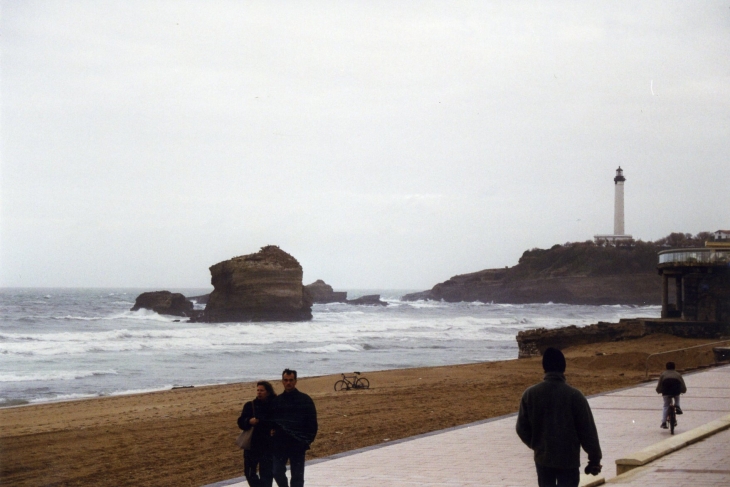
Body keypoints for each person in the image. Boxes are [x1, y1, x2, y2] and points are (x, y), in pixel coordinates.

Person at [516, 347, 602, 487]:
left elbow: (521, 428)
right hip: (569, 460)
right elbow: (588, 432)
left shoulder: (530, 394)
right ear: (564, 367)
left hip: (543, 459)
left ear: (544, 367)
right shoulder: (575, 396)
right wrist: (594, 459)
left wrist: (537, 445)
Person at [270, 369, 318, 487]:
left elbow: (312, 423)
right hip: (280, 444)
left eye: (291, 380)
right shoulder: (277, 401)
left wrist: (307, 440)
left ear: (295, 381)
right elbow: (271, 420)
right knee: (276, 471)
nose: (288, 383)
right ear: (282, 381)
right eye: (286, 380)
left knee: (297, 477)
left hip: (297, 444)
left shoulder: (305, 400)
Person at [237, 381, 277, 487]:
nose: (259, 392)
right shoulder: (250, 405)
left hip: (268, 445)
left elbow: (279, 421)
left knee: (267, 474)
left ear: (268, 392)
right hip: (252, 445)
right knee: (249, 473)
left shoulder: (275, 405)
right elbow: (241, 422)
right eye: (258, 390)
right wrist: (249, 421)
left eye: (262, 390)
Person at [656, 361, 686, 429]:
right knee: (677, 395)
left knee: (666, 406)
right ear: (674, 367)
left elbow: (659, 385)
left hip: (666, 391)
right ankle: (677, 405)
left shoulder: (663, 374)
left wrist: (659, 391)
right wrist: (683, 391)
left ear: (666, 367)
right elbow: (682, 385)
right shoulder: (678, 374)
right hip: (676, 391)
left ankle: (664, 422)